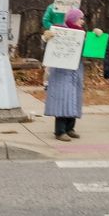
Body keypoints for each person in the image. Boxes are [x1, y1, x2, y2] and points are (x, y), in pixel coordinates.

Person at [45, 8, 86, 141]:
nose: (83, 21)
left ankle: (70, 128)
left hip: (75, 70)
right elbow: (48, 42)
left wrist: (96, 37)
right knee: (63, 99)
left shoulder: (81, 33)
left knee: (74, 99)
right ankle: (60, 131)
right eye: (80, 18)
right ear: (73, 19)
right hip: (62, 72)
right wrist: (46, 36)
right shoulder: (60, 30)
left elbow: (89, 50)